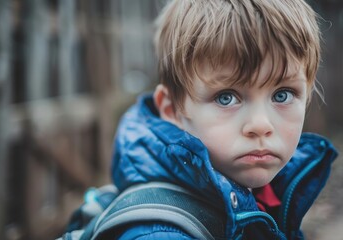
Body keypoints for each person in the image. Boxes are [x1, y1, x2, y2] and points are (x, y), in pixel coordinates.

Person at [100, 0, 338, 239]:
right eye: (226, 98)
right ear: (172, 109)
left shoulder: (266, 192)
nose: (260, 125)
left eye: (282, 95)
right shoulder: (162, 234)